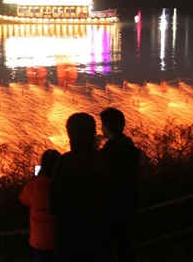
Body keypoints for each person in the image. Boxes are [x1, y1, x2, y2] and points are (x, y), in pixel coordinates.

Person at [48, 113, 109, 262]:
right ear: (92, 133)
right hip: (94, 228)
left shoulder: (64, 162)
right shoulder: (102, 160)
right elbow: (108, 195)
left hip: (68, 231)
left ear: (71, 134)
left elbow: (53, 202)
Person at [99, 108, 141, 262]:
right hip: (129, 206)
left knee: (106, 250)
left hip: (111, 210)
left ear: (107, 127)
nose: (101, 128)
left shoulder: (108, 153)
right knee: (125, 249)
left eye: (102, 124)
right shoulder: (129, 148)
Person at [20, 149, 61, 262]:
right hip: (59, 238)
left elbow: (24, 200)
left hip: (39, 241)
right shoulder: (63, 184)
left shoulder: (33, 184)